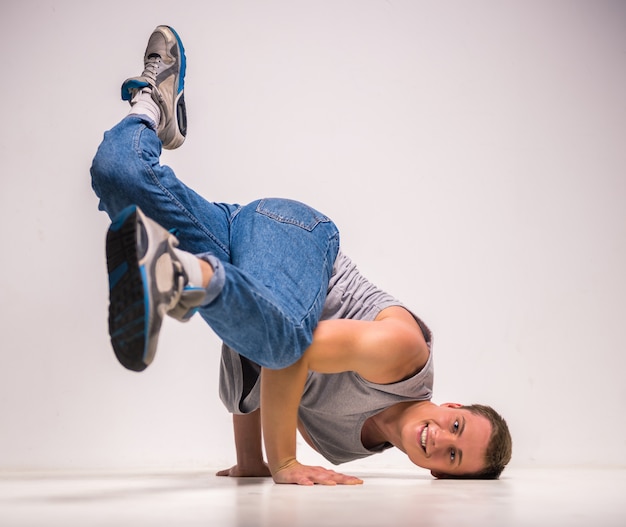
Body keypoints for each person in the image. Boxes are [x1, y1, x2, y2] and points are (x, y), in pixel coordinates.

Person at [91, 25, 512, 486]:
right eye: (457, 428)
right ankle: (182, 277)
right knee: (283, 337)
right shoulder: (404, 357)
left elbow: (249, 352)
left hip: (247, 253)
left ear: (437, 473)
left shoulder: (345, 447)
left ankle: (153, 103)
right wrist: (284, 463)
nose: (440, 439)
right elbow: (294, 353)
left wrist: (252, 460)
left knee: (119, 176)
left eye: (451, 457)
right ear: (453, 407)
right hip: (296, 236)